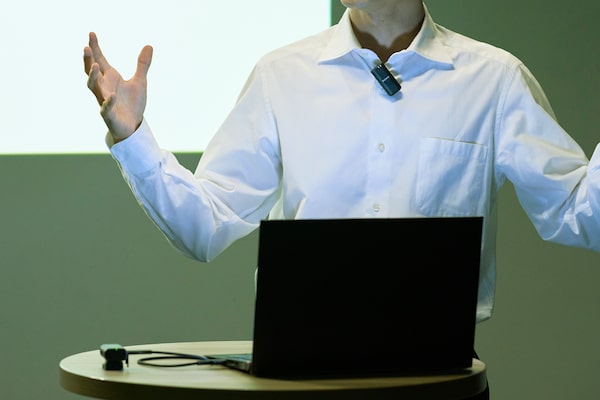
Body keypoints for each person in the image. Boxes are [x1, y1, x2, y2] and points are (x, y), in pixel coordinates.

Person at [83, 1, 600, 398]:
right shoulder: (281, 76)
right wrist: (133, 137)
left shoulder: (494, 80)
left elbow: (578, 213)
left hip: (438, 385)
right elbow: (205, 226)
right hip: (298, 386)